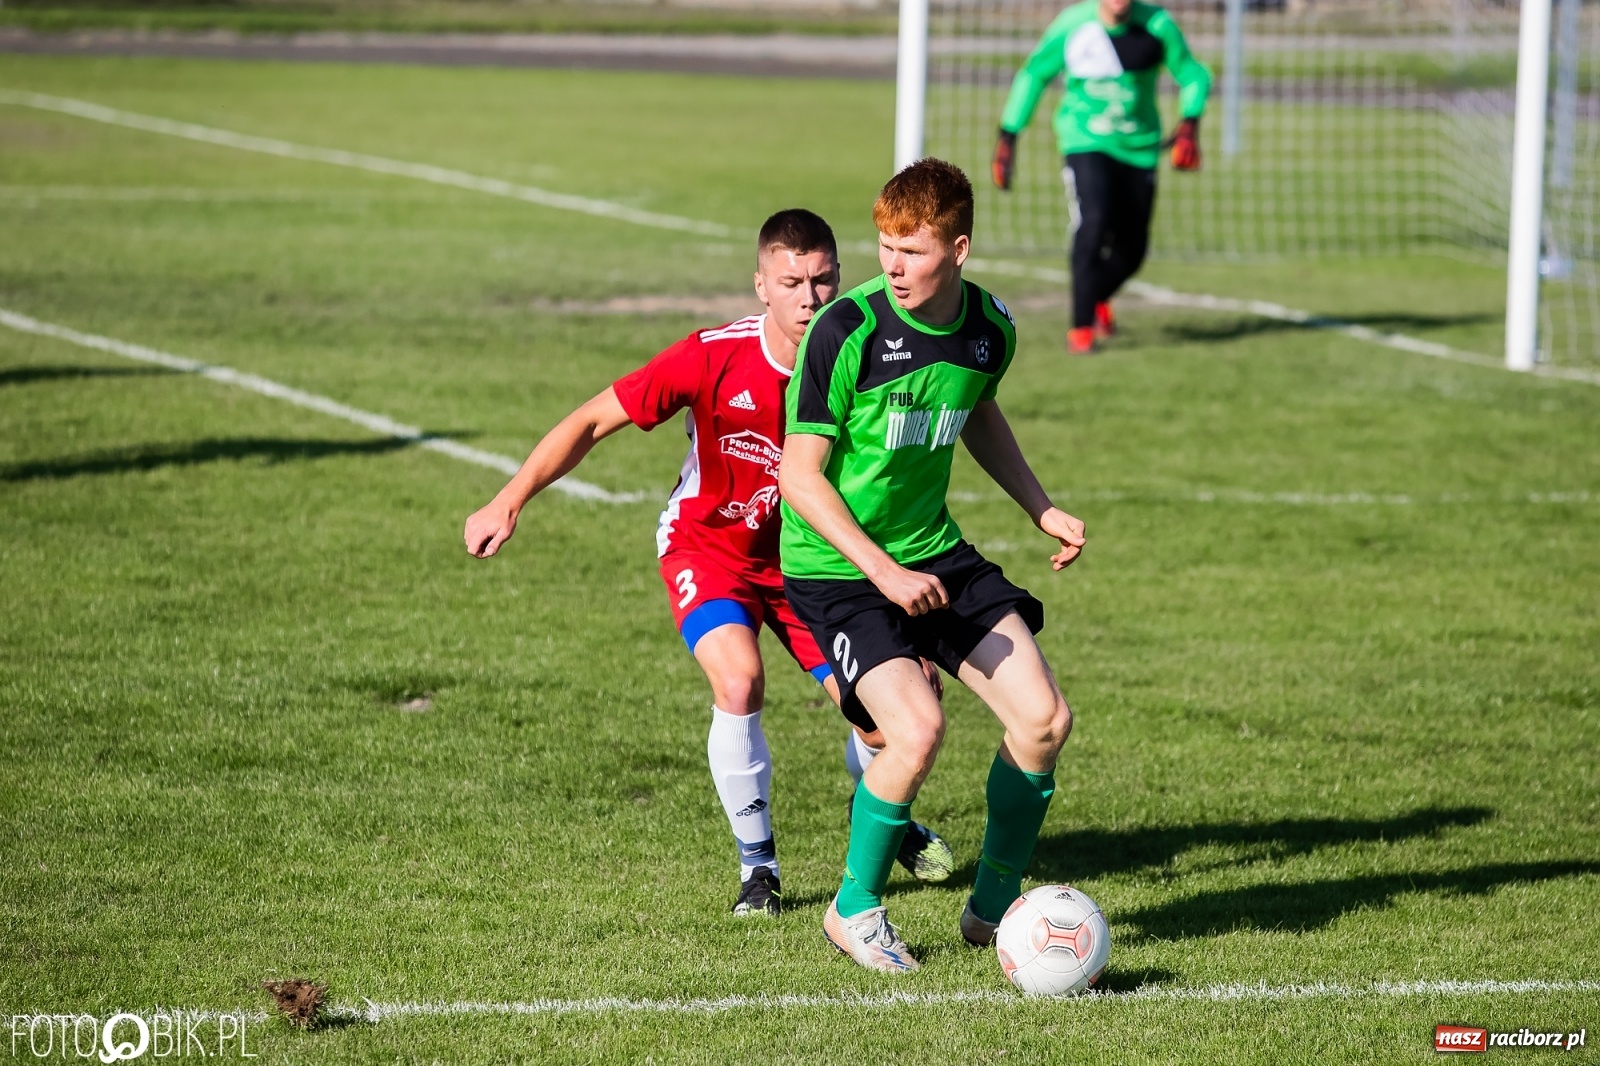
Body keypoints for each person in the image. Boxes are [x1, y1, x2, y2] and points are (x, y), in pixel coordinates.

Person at [463, 209, 954, 918]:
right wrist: (509, 499)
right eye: (791, 282)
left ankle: (881, 809)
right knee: (740, 678)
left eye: (822, 281)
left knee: (889, 726)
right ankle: (760, 870)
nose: (809, 299)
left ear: (841, 279)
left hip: (811, 563)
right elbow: (593, 419)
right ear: (761, 285)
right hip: (710, 548)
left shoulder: (869, 356)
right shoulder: (712, 356)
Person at [778, 160, 1086, 973]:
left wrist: (1038, 505)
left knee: (1044, 721)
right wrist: (882, 573)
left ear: (959, 248)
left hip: (930, 552)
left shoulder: (990, 328)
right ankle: (853, 911)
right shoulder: (845, 332)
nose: (892, 265)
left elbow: (978, 406)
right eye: (883, 247)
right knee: (915, 731)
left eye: (910, 251)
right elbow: (797, 478)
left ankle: (994, 909)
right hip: (839, 567)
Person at [991, 0, 1211, 355]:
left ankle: (1096, 298)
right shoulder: (1073, 25)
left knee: (1133, 249)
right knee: (1093, 222)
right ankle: (1081, 329)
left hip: (1140, 148)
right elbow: (1034, 73)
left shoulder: (1157, 25)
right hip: (1085, 140)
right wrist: (1008, 136)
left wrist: (1190, 122)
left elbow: (1193, 75)